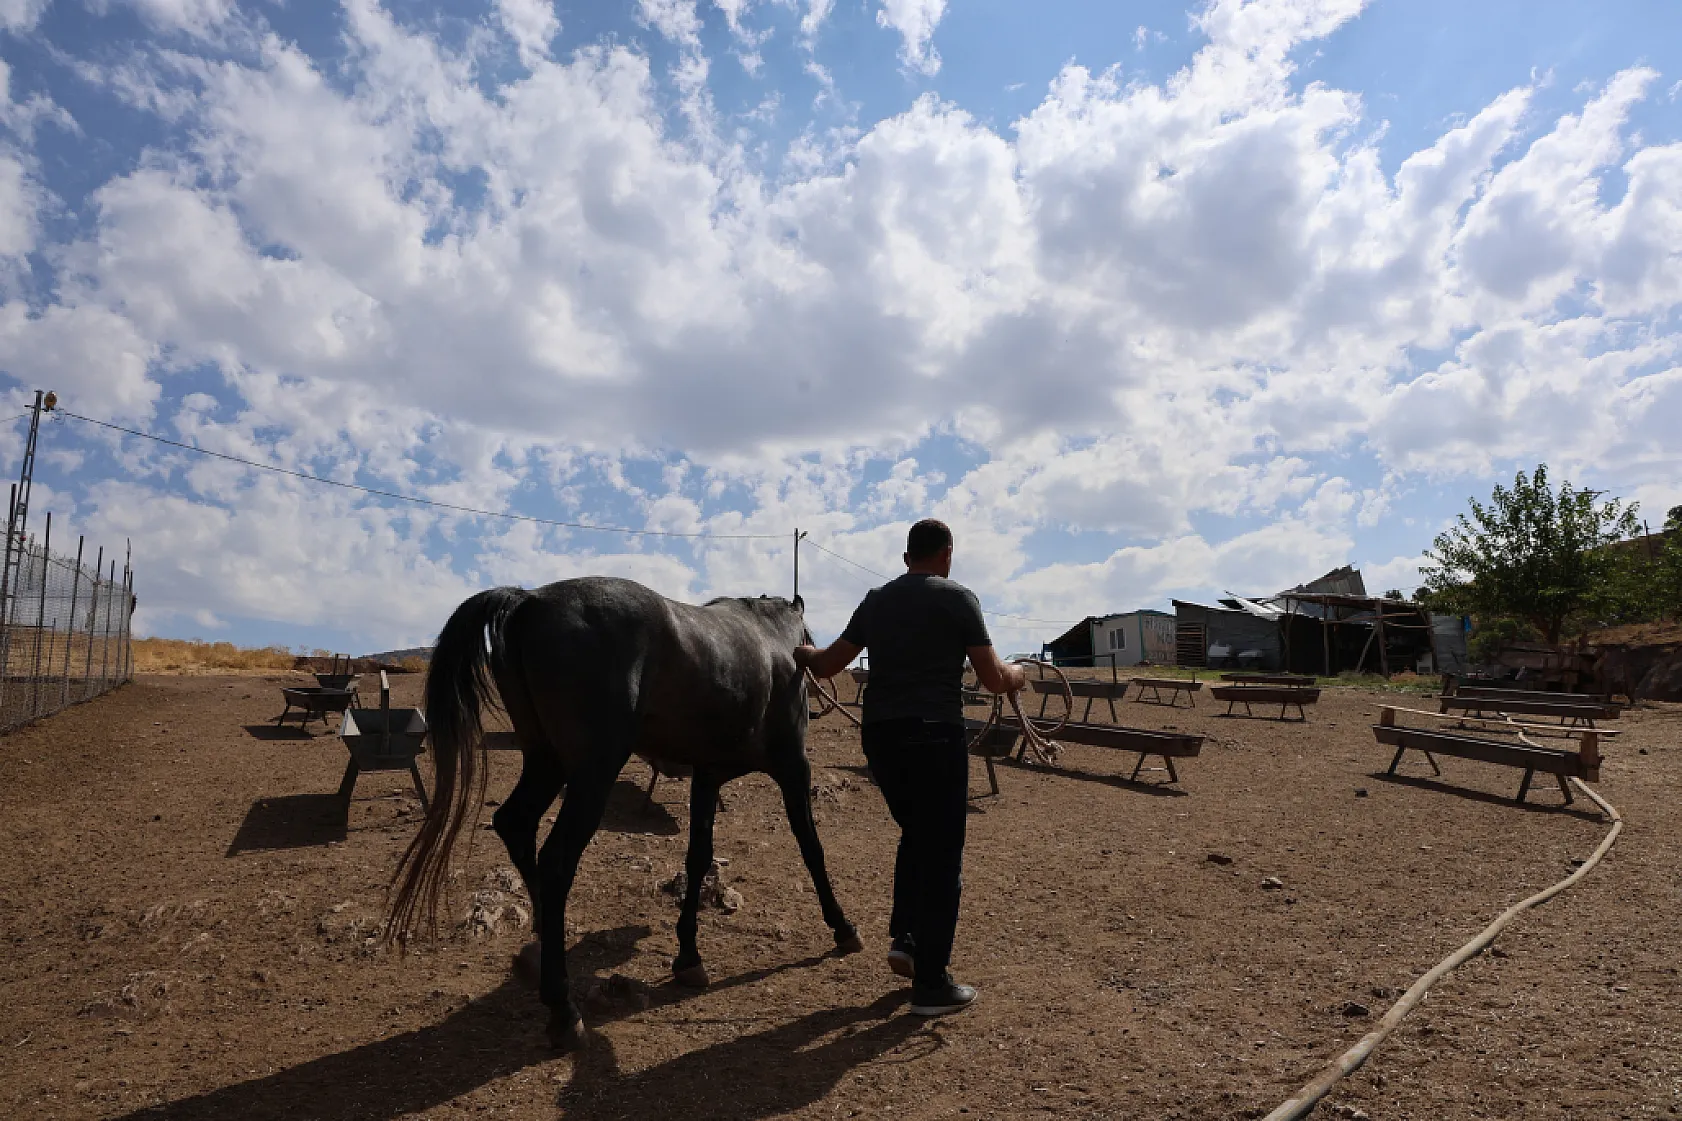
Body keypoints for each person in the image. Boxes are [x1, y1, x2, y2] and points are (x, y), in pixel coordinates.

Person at [794, 518, 1026, 1016]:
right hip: (934, 733)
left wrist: (801, 651)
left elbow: (830, 663)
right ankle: (932, 982)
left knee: (916, 834)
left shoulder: (878, 598)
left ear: (906, 558)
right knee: (943, 854)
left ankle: (908, 939)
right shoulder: (958, 598)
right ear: (947, 554)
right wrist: (1019, 674)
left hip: (882, 737)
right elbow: (991, 677)